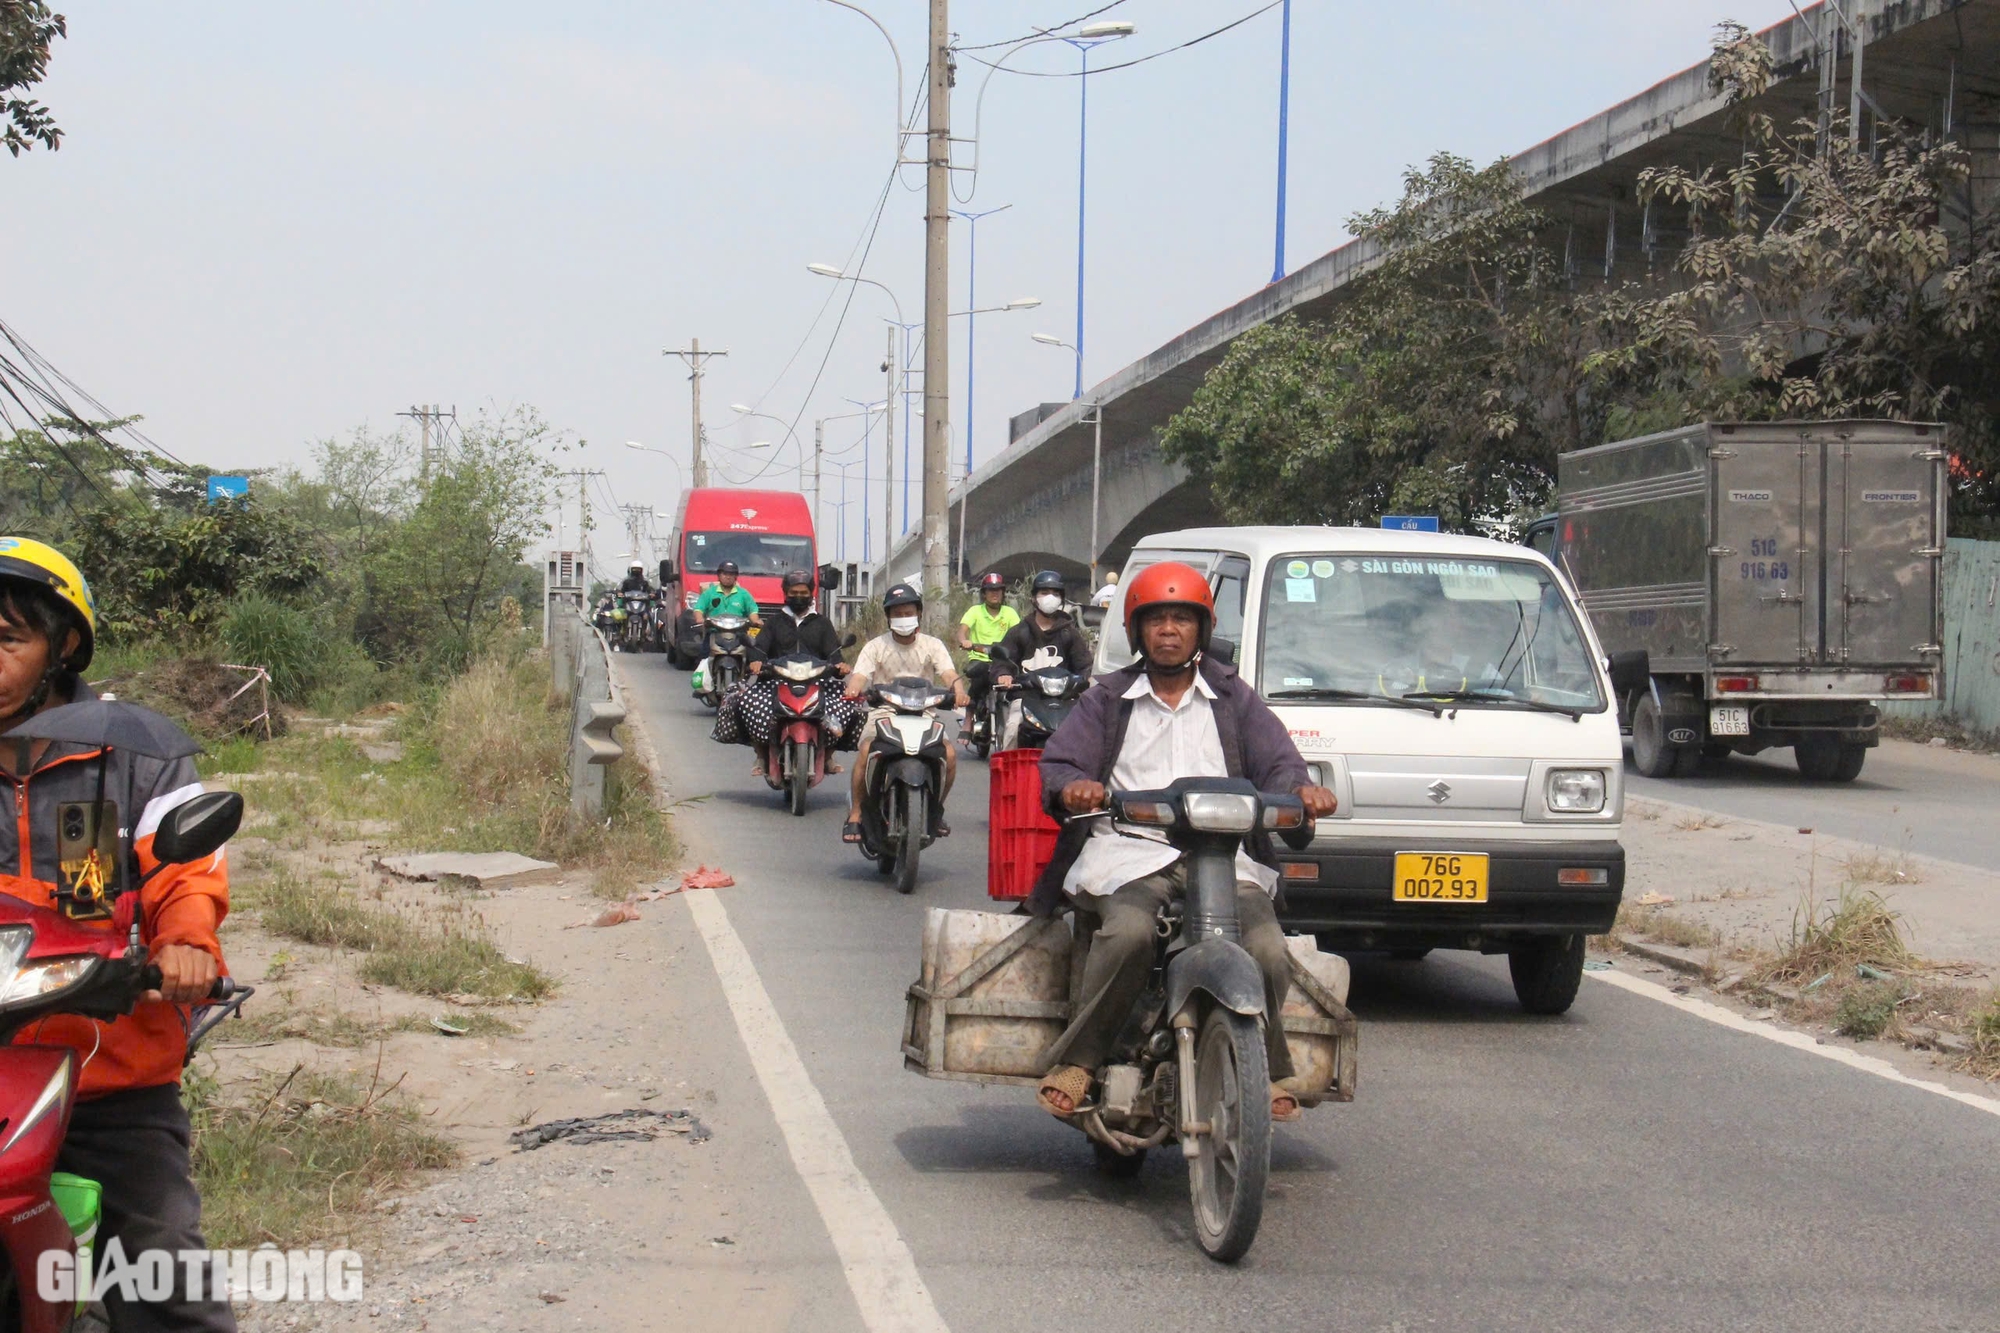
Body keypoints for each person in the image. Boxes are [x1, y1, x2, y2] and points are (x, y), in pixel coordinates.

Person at [0, 537, 238, 1332]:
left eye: (7, 639)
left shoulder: (131, 754)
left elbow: (186, 869)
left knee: (165, 1269)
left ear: (62, 645)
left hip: (109, 1075)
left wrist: (186, 945)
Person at [1028, 560, 1338, 1125]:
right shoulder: (1107, 699)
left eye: (1181, 619)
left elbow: (1280, 763)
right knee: (1127, 934)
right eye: (1157, 619)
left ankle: (1268, 1069)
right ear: (1137, 629)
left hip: (1225, 859)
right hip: (1130, 855)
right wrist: (1074, 786)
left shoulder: (1233, 697)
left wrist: (1300, 791)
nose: (1169, 630)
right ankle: (1080, 1061)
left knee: (1268, 948)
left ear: (1202, 628)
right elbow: (1061, 761)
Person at [841, 583, 967, 844]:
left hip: (924, 714)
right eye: (897, 614)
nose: (903, 618)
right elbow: (860, 675)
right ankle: (855, 814)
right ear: (888, 617)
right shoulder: (876, 646)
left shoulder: (932, 645)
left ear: (919, 614)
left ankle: (935, 809)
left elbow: (949, 674)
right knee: (866, 750)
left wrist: (959, 691)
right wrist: (854, 688)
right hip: (884, 712)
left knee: (950, 755)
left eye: (908, 612)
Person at [729, 569, 860, 777]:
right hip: (776, 682)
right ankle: (761, 755)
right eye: (794, 593)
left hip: (818, 683)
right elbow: (760, 648)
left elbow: (834, 655)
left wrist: (841, 667)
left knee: (853, 704)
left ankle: (828, 756)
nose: (799, 597)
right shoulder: (774, 622)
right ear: (785, 593)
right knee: (742, 699)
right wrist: (756, 661)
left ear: (811, 593)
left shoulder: (822, 623)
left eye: (803, 593)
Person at [990, 570, 1093, 688]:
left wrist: (1088, 678)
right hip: (1024, 696)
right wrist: (1003, 674)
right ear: (1033, 598)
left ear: (1061, 599)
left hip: (1063, 698)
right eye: (1044, 593)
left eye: (1056, 594)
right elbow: (1002, 662)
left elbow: (1085, 665)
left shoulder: (1069, 633)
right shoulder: (1019, 632)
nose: (1050, 597)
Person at [955, 572, 1018, 731]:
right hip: (980, 658)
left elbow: (1019, 633)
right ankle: (968, 721)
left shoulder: (1010, 613)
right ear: (984, 593)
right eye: (990, 590)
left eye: (998, 590)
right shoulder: (975, 611)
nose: (995, 594)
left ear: (1003, 593)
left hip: (1003, 661)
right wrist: (964, 640)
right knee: (978, 681)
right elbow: (962, 630)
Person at [691, 559, 760, 629]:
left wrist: (755, 621)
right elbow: (699, 609)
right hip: (713, 632)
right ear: (719, 575)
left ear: (735, 576)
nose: (728, 577)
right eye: (725, 574)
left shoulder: (744, 594)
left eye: (731, 574)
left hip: (738, 633)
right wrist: (699, 619)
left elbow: (752, 611)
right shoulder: (709, 593)